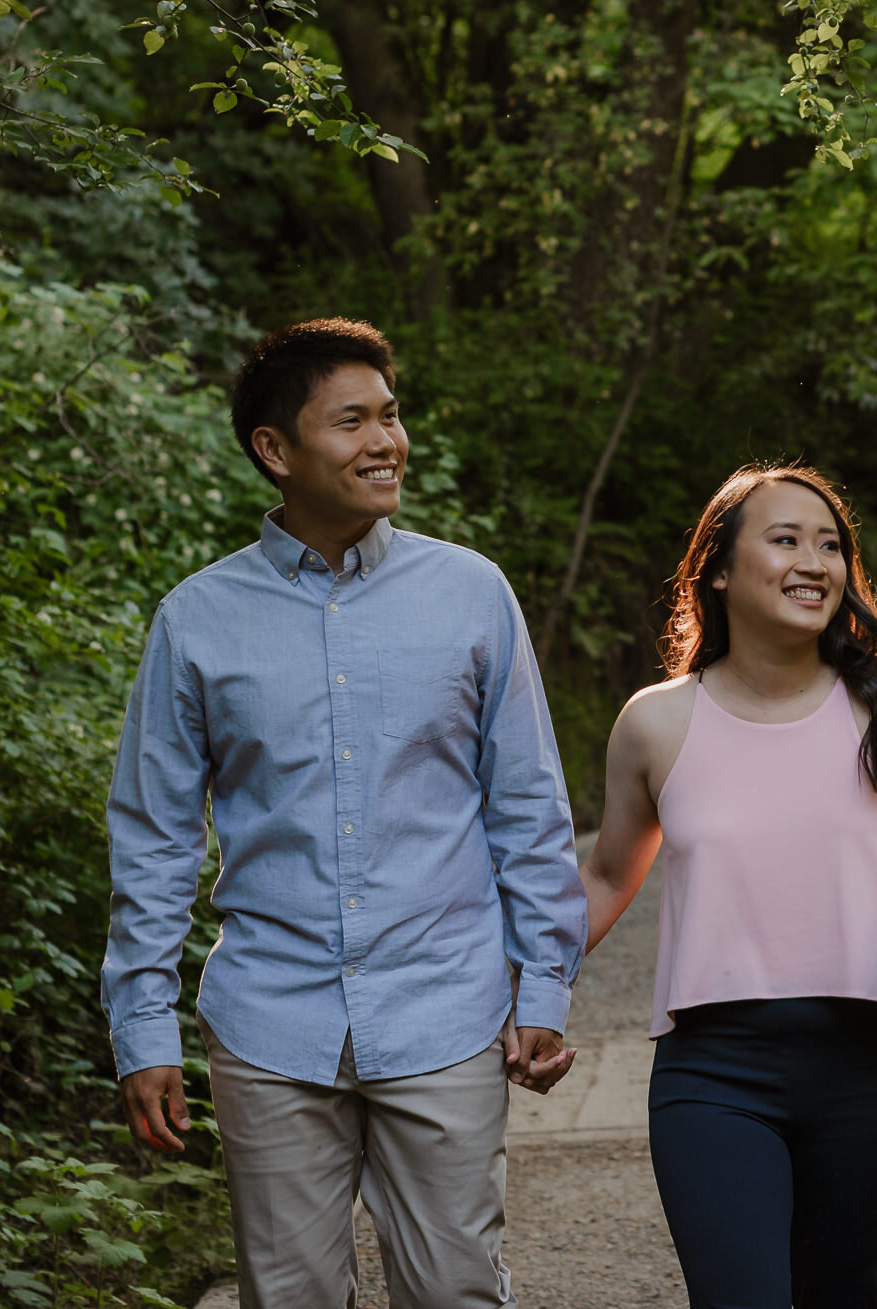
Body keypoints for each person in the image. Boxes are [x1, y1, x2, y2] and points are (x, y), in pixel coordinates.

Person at [100, 317, 585, 1309]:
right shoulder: (196, 619)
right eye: (352, 420)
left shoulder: (470, 594)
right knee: (290, 1298)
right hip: (269, 1022)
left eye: (391, 416)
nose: (385, 441)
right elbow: (153, 840)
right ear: (274, 450)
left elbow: (528, 805)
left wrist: (543, 983)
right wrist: (142, 1027)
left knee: (456, 1290)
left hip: (446, 1009)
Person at [579, 464, 877, 1309]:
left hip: (866, 1066)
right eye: (785, 539)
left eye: (831, 545)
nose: (815, 561)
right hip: (713, 1073)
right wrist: (518, 989)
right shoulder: (656, 721)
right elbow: (606, 875)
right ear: (718, 567)